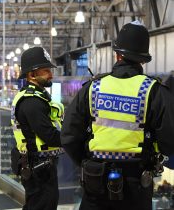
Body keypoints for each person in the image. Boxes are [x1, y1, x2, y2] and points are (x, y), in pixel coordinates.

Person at [61, 20, 174, 210]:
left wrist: (87, 162)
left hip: (94, 180)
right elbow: (169, 140)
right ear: (143, 59)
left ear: (117, 54)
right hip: (137, 184)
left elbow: (69, 136)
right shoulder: (154, 92)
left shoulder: (93, 89)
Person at [11, 46, 64, 210]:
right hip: (39, 168)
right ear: (31, 75)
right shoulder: (32, 102)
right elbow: (49, 135)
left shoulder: (38, 97)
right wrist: (75, 136)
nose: (51, 74)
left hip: (41, 166)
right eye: (46, 71)